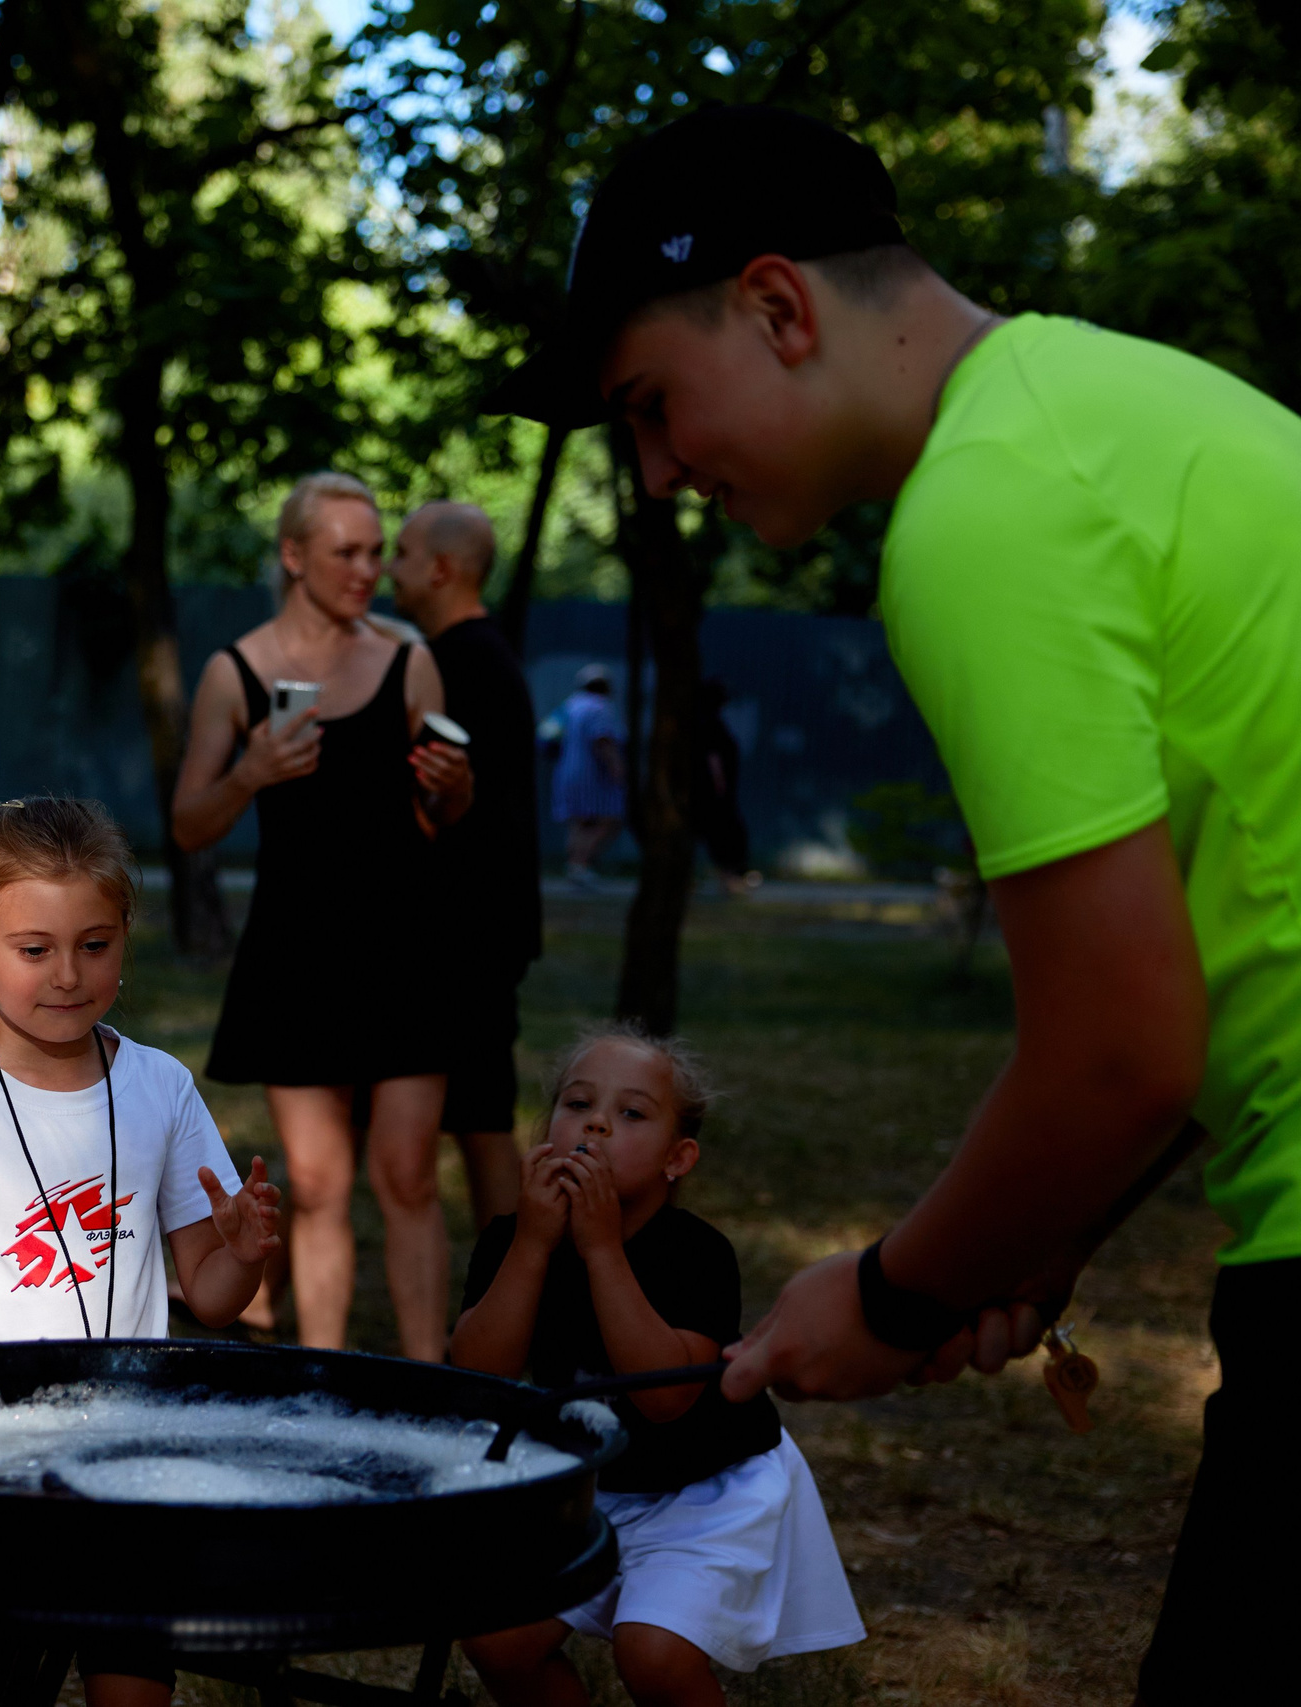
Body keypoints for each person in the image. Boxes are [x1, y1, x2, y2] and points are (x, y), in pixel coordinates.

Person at [491, 103, 1300, 1701]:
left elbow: (1117, 1049)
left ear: (778, 306)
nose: (657, 475)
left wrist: (889, 1289)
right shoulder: (1133, 405)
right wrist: (1036, 1233)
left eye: (651, 406)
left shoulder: (985, 509)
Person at [0, 797, 283, 1705]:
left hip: (130, 1460)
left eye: (94, 945)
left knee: (132, 1688)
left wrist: (245, 1251)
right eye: (34, 949)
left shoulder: (161, 1086)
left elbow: (215, 1296)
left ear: (125, 938)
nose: (67, 974)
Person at [455, 1027, 862, 1705]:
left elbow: (666, 1398)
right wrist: (531, 1246)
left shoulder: (697, 1254)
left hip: (703, 1491)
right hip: (586, 1482)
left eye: (631, 1112)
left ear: (679, 1158)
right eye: (577, 1103)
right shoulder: (512, 1238)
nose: (595, 1123)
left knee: (653, 1655)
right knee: (497, 1639)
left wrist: (602, 1251)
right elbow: (479, 1378)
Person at [171, 472, 474, 1358]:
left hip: (407, 951)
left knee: (408, 1176)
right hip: (296, 955)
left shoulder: (409, 660)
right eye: (346, 552)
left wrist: (457, 789)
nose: (368, 570)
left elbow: (443, 813)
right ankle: (325, 1380)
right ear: (294, 555)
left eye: (377, 552)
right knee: (316, 1184)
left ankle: (427, 1386)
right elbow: (189, 824)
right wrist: (249, 774)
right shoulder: (236, 671)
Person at [388, 501, 545, 1227]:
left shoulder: (463, 662)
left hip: (465, 934)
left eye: (402, 553)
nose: (389, 569)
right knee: (473, 1116)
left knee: (480, 1121)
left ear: (442, 568)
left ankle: (516, 1278)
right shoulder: (482, 655)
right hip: (475, 929)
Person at [547, 665, 626, 888]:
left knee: (580, 823)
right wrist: (617, 768)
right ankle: (581, 864)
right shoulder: (599, 707)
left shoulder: (569, 706)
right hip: (592, 774)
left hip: (566, 770)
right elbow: (602, 740)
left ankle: (575, 865)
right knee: (606, 819)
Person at [692, 680, 759, 894]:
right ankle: (729, 879)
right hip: (714, 795)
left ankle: (727, 878)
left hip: (711, 794)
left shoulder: (705, 723)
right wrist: (719, 785)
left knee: (720, 836)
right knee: (723, 836)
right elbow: (713, 759)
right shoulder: (710, 725)